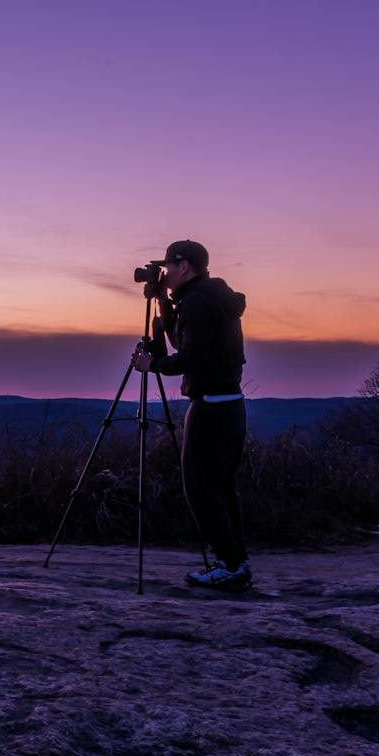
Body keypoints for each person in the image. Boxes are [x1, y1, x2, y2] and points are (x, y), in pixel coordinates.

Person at [131, 240, 252, 591]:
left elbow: (189, 358)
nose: (163, 273)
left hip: (212, 406)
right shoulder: (209, 297)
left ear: (185, 266)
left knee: (200, 489)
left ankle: (228, 565)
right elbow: (182, 341)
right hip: (230, 404)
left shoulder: (199, 302)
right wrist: (165, 304)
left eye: (168, 267)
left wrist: (151, 364)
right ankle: (236, 562)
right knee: (223, 488)